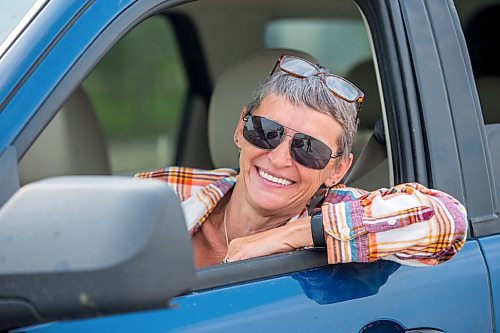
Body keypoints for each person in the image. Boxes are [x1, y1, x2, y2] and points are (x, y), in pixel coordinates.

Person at [135, 55, 467, 268]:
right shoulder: (167, 190)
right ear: (240, 129)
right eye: (266, 132)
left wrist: (287, 236)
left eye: (309, 149)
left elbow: (447, 220)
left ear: (337, 169)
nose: (278, 159)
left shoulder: (334, 214)